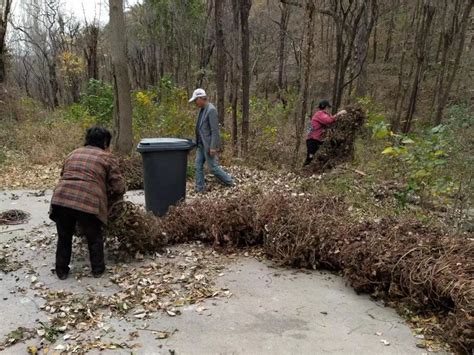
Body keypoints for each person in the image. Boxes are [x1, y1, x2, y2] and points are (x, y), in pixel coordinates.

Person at [49, 126, 126, 280]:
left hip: (61, 198)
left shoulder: (73, 154)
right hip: (88, 202)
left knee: (64, 236)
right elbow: (118, 187)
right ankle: (98, 270)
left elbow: (64, 174)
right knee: (94, 236)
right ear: (105, 143)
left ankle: (61, 270)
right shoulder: (107, 157)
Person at [189, 88, 234, 193]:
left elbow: (215, 130)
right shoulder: (202, 109)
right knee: (197, 166)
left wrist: (213, 146)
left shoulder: (211, 110)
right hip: (201, 144)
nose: (195, 103)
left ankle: (230, 182)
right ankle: (200, 189)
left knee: (213, 168)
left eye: (196, 100)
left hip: (208, 145)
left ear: (201, 98)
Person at [304, 100, 347, 166]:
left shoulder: (322, 114)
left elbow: (331, 122)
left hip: (317, 140)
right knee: (310, 157)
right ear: (326, 107)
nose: (329, 109)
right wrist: (339, 113)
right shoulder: (320, 114)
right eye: (329, 108)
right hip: (312, 140)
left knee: (321, 156)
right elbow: (329, 121)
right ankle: (303, 172)